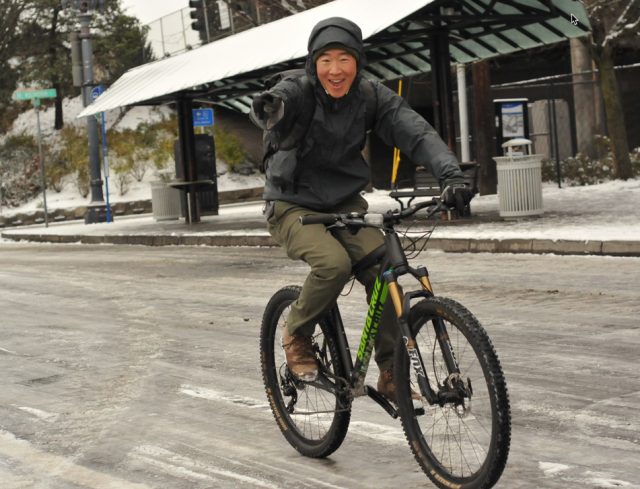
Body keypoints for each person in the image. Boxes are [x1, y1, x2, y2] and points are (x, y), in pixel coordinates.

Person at [250, 17, 471, 403]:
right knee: (333, 264)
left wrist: (451, 176)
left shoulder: (371, 97)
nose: (335, 70)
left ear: (358, 60)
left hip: (345, 203)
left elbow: (415, 131)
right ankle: (296, 333)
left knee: (383, 270)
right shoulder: (299, 93)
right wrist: (271, 107)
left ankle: (390, 372)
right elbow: (276, 104)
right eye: (325, 60)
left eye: (345, 58)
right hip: (292, 204)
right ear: (313, 64)